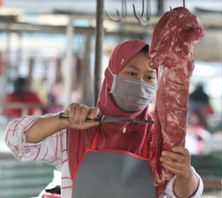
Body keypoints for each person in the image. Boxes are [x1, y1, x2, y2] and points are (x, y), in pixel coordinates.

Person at [5, 39, 203, 198]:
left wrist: (185, 173)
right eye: (132, 73)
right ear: (111, 77)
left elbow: (184, 194)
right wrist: (62, 120)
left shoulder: (159, 138)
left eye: (149, 77)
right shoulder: (78, 128)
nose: (140, 83)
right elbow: (16, 141)